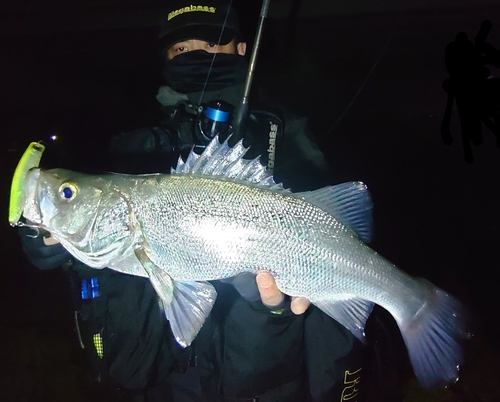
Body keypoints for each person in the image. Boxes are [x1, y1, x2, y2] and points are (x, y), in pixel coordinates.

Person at [17, 1, 390, 401]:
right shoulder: (133, 147)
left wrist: (275, 302)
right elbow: (101, 243)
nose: (194, 54)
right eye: (180, 48)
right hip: (163, 379)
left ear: (242, 49)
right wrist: (45, 237)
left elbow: (332, 227)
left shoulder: (281, 134)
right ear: (165, 58)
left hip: (260, 372)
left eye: (210, 43)